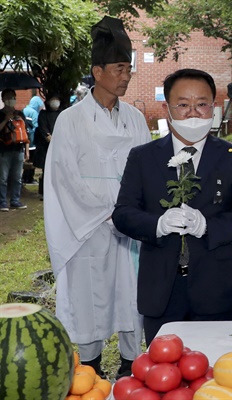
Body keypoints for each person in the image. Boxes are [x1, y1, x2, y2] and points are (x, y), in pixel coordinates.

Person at [112, 68, 232, 344]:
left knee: (213, 373)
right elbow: (122, 214)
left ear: (213, 107)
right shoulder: (143, 157)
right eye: (182, 105)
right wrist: (157, 224)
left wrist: (208, 226)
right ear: (167, 108)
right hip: (160, 290)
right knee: (164, 374)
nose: (193, 112)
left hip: (215, 287)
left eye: (202, 104)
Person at [44, 16, 149, 378]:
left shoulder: (135, 119)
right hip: (88, 227)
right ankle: (89, 367)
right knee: (90, 294)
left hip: (129, 226)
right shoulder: (70, 120)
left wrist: (130, 214)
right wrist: (105, 214)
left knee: (131, 293)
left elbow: (147, 171)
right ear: (97, 71)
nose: (126, 76)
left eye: (129, 69)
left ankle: (130, 363)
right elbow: (64, 179)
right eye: (119, 69)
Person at [0, 88, 28, 211]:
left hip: (19, 149)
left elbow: (25, 133)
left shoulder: (20, 114)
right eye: (8, 97)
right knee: (3, 177)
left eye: (13, 97)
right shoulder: (0, 114)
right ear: (3, 99)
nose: (11, 99)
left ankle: (15, 200)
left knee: (17, 177)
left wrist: (26, 150)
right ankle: (2, 202)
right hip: (4, 150)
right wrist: (6, 119)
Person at [34, 94, 62, 199]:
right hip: (46, 147)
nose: (55, 102)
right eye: (52, 99)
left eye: (56, 99)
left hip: (60, 146)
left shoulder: (62, 113)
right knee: (46, 170)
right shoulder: (43, 114)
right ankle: (44, 192)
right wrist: (49, 138)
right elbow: (43, 129)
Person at [22, 95, 44, 184]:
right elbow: (36, 126)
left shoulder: (24, 110)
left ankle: (24, 178)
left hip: (24, 139)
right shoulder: (34, 113)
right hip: (32, 140)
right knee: (32, 161)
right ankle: (30, 178)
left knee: (26, 161)